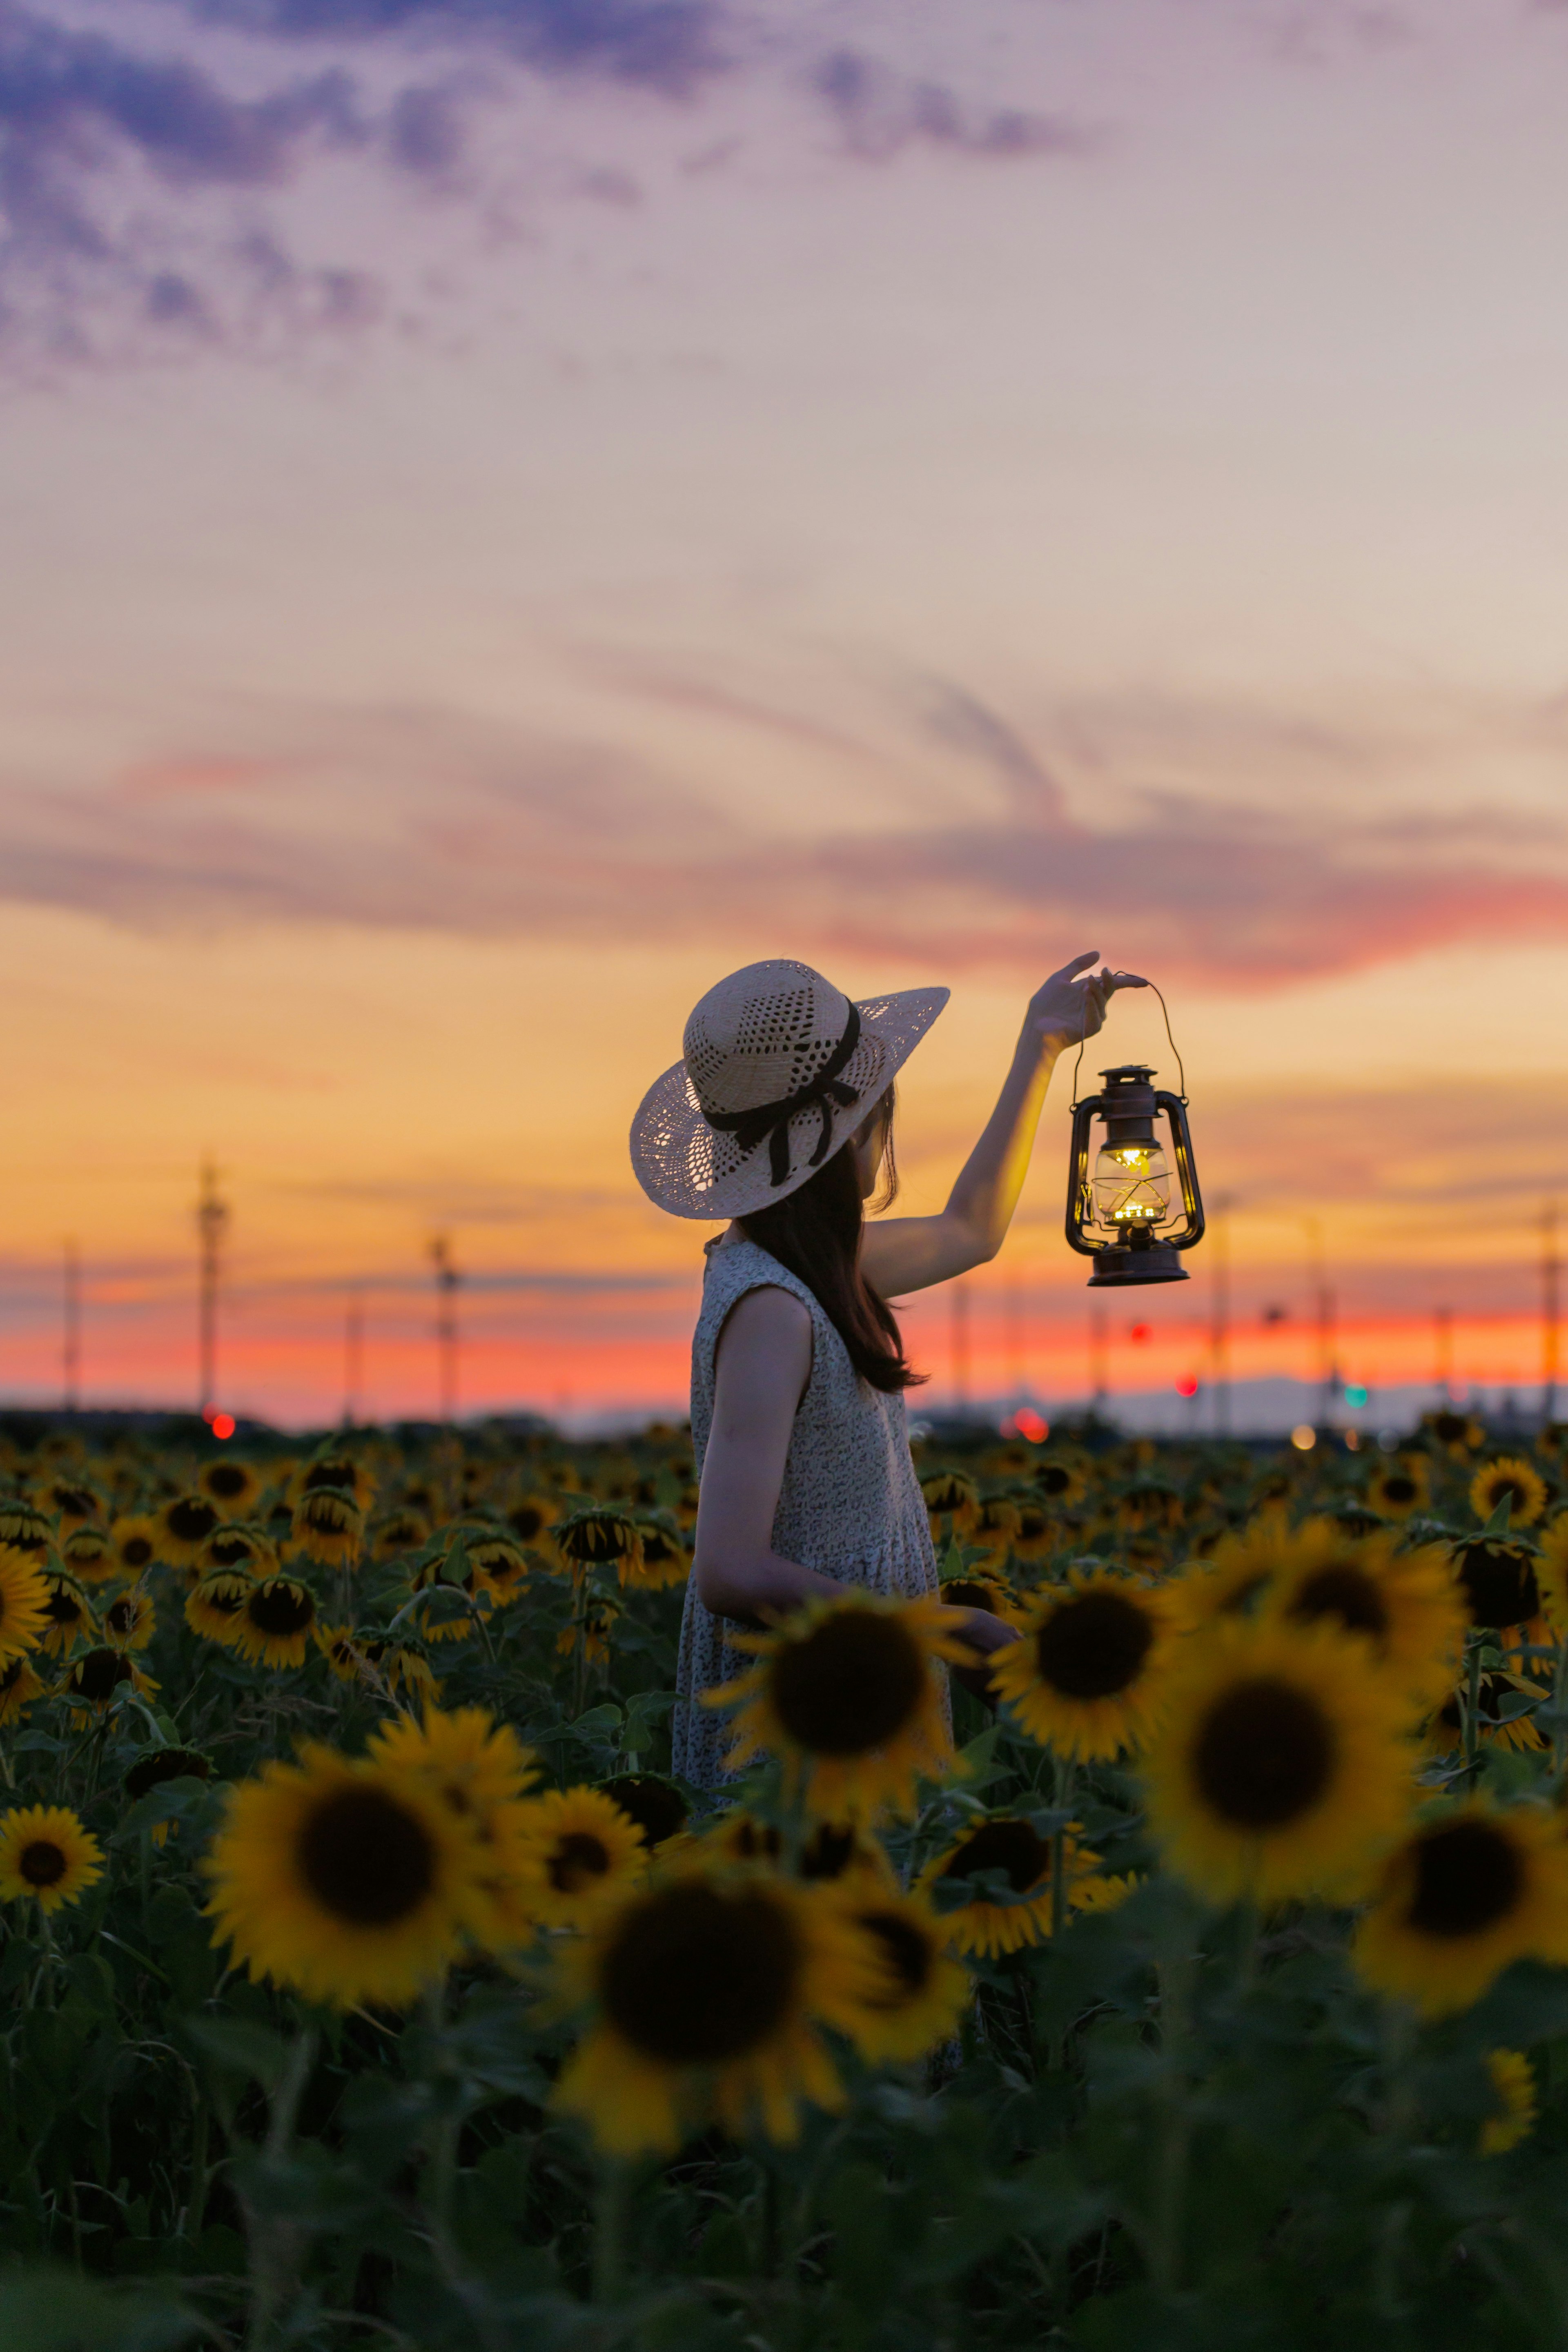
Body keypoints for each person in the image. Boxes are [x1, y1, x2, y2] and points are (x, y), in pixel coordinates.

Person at [629, 951, 1145, 1788]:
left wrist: (1042, 1048)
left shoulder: (814, 1266)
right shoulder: (772, 1308)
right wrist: (930, 1626)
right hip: (807, 1700)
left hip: (859, 1663)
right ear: (849, 1134)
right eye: (879, 1114)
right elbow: (729, 1567)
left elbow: (972, 1230)